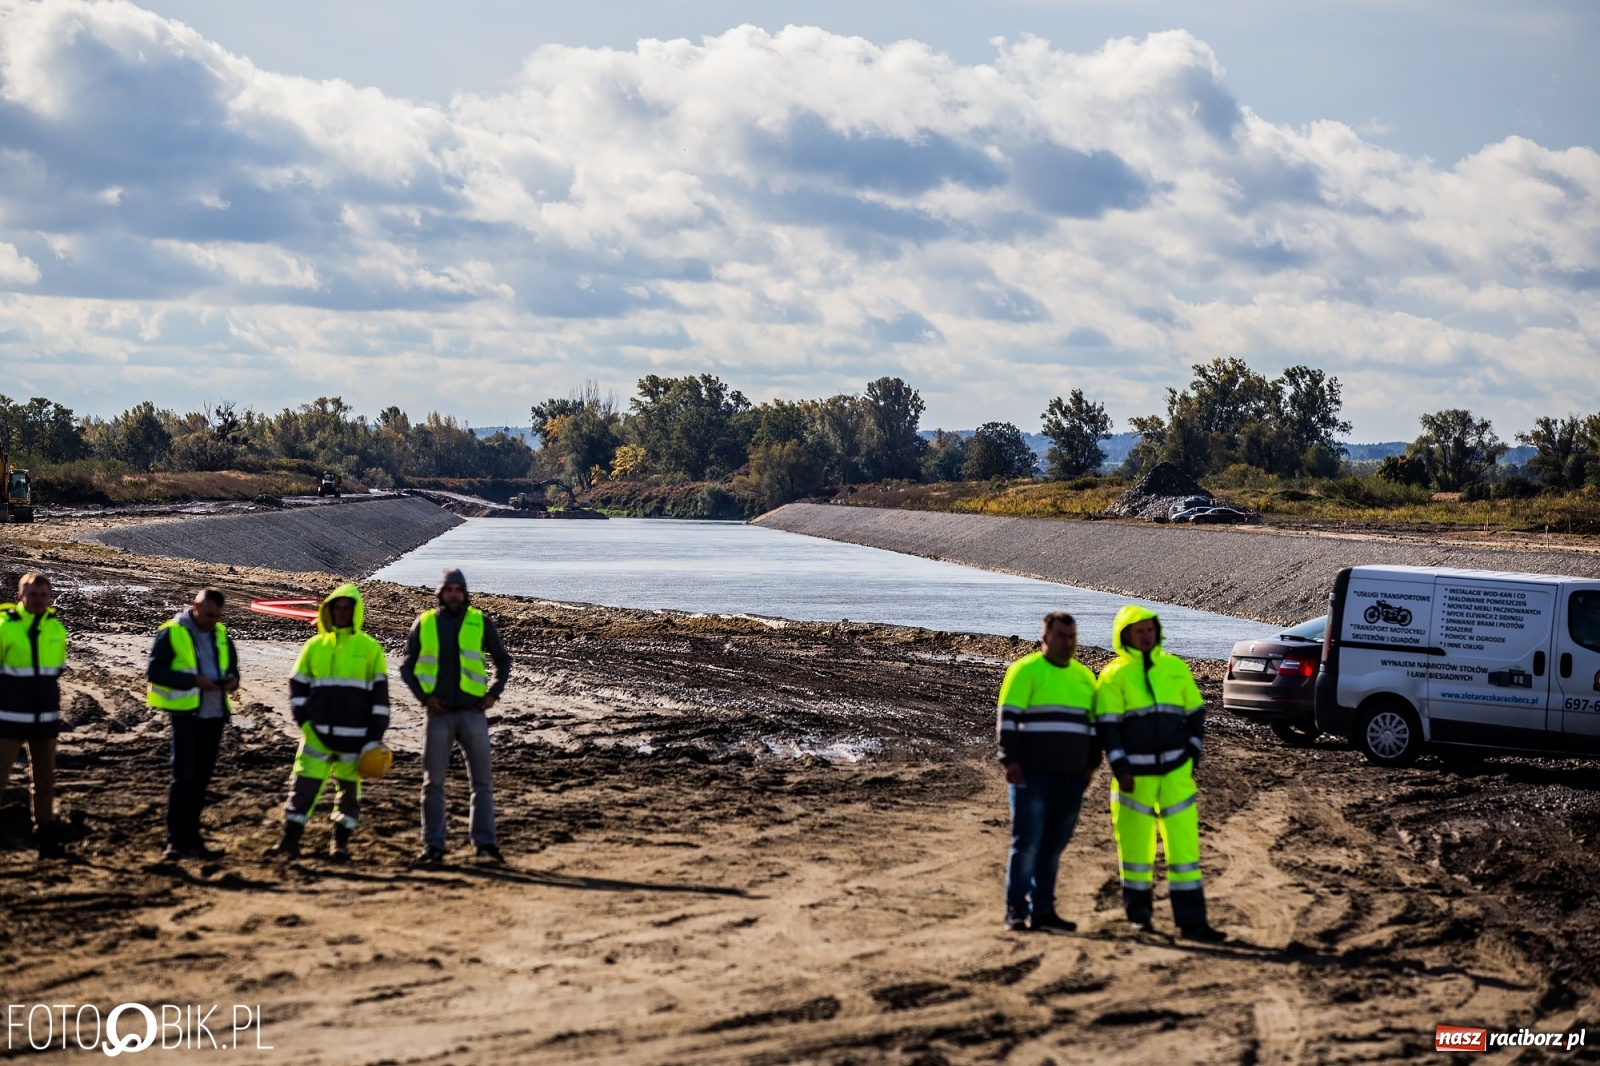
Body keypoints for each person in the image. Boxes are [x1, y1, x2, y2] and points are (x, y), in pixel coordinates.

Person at [1096, 604, 1225, 942]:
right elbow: (1108, 729)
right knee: (1136, 852)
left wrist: (1192, 754)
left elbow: (1196, 714)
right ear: (1124, 636)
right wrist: (1121, 768)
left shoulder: (1175, 668)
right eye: (1139, 630)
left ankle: (1193, 923)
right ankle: (1140, 920)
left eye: (1150, 628)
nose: (1146, 634)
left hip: (1175, 777)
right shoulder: (1113, 675)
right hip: (1133, 779)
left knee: (1185, 854)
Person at [265, 584, 389, 862]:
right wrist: (305, 723)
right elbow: (297, 686)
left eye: (348, 607)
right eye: (337, 607)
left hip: (354, 737)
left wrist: (374, 736)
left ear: (356, 612)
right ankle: (289, 841)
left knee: (348, 794)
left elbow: (380, 697)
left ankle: (340, 845)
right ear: (329, 611)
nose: (342, 612)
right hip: (316, 735)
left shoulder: (370, 649)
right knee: (303, 787)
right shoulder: (314, 646)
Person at [996, 611, 1100, 932]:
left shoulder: (1085, 677)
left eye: (1071, 637)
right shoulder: (1024, 671)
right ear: (1045, 638)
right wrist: (1009, 761)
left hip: (1071, 778)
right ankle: (1016, 909)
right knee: (1026, 842)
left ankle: (1043, 910)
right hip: (1032, 775)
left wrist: (1089, 767)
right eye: (1060, 636)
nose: (1067, 642)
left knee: (1054, 846)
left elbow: (1094, 728)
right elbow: (1008, 719)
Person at [399, 568, 511, 866]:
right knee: (433, 784)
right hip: (438, 716)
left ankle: (485, 846)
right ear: (440, 592)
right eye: (449, 589)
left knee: (482, 784)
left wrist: (493, 694)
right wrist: (425, 699)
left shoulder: (480, 622)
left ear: (465, 592)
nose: (454, 594)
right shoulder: (424, 623)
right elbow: (406, 668)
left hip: (473, 713)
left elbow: (503, 660)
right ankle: (433, 847)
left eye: (458, 589)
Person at [148, 589, 241, 860]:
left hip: (214, 716)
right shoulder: (172, 632)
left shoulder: (220, 634)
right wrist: (193, 681)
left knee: (200, 782)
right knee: (183, 779)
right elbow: (155, 672)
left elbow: (233, 668)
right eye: (210, 614)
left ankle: (193, 839)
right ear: (196, 606)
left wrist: (233, 681)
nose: (214, 620)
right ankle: (176, 841)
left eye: (218, 616)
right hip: (186, 715)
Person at [0, 572, 69, 859]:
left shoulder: (56, 629)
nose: (39, 600)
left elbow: (55, 672)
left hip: (45, 720)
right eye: (33, 594)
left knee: (44, 783)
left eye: (43, 595)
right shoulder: (4, 627)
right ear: (20, 596)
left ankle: (48, 840)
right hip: (8, 719)